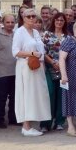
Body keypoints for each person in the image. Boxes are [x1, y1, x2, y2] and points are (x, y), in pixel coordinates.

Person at [12, 8, 51, 137]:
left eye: (33, 16)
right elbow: (15, 52)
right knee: (26, 95)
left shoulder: (35, 32)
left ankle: (30, 125)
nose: (31, 18)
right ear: (23, 18)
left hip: (37, 67)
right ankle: (26, 126)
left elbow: (42, 51)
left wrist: (42, 63)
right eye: (28, 16)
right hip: (25, 66)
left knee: (36, 95)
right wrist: (32, 53)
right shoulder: (19, 32)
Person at [0, 14, 18, 129]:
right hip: (2, 71)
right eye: (8, 22)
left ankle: (13, 118)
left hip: (16, 71)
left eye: (12, 22)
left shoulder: (16, 35)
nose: (10, 24)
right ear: (3, 22)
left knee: (14, 97)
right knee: (1, 96)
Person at [42, 12, 68, 131]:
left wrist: (61, 65)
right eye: (57, 20)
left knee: (61, 96)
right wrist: (52, 62)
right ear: (53, 21)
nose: (59, 22)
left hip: (63, 70)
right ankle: (45, 123)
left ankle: (59, 122)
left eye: (61, 20)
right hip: (49, 68)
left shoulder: (68, 37)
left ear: (64, 22)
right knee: (49, 95)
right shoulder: (47, 35)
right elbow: (43, 52)